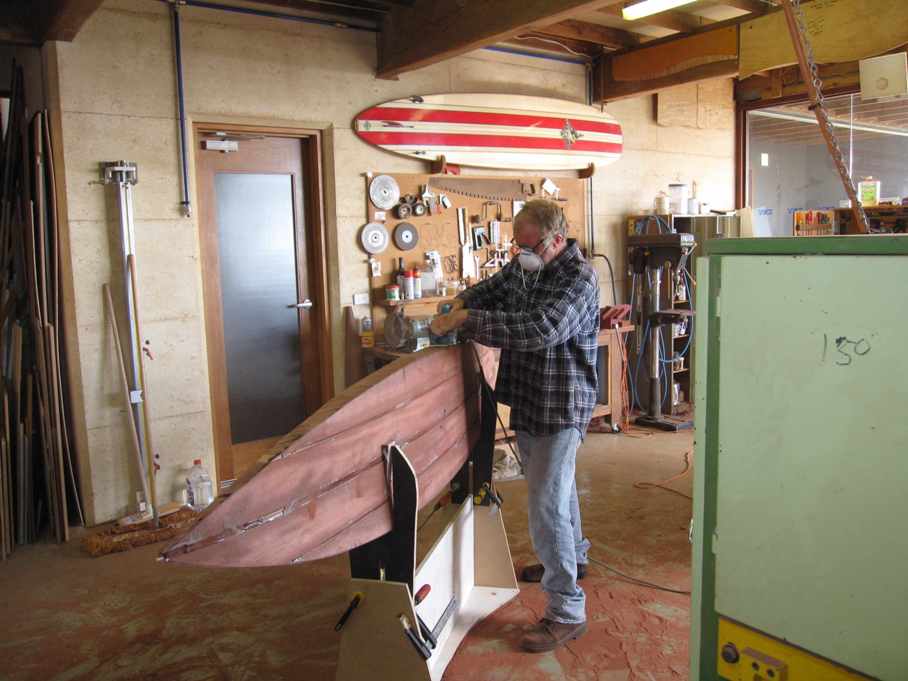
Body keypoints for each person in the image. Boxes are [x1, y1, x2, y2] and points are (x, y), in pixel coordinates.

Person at [430, 199, 600, 653]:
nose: (520, 255)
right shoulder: (527, 265)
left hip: (561, 403)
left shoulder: (578, 278)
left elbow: (540, 328)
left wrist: (470, 320)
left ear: (556, 239)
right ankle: (574, 558)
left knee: (545, 504)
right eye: (517, 246)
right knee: (557, 489)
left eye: (529, 246)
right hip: (529, 397)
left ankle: (567, 609)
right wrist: (461, 301)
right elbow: (493, 287)